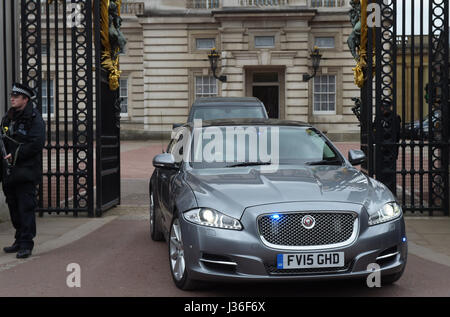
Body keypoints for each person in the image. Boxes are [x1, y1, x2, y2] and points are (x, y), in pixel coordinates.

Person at [0, 83, 45, 259]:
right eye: (12, 95)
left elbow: (36, 143)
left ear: (25, 99)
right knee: (13, 207)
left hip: (26, 171)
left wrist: (15, 155)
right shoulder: (8, 117)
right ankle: (18, 239)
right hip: (9, 172)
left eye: (16, 96)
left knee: (26, 208)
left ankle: (26, 243)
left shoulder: (35, 118)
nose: (12, 98)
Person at [375, 99, 401, 195]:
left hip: (391, 148)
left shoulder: (395, 117)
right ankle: (381, 189)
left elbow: (397, 134)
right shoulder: (379, 117)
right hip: (381, 148)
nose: (383, 109)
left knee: (390, 172)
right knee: (381, 171)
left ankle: (390, 191)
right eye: (382, 107)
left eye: (384, 107)